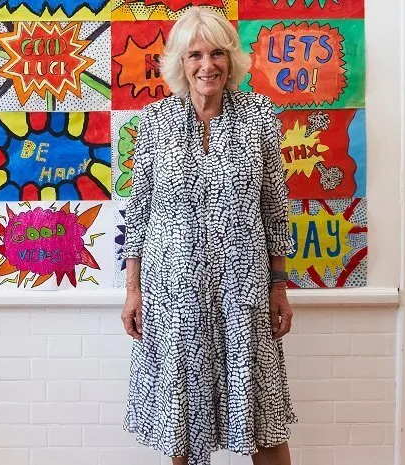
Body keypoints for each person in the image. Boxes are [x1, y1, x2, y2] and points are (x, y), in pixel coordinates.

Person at [120, 7, 296, 465]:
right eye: (195, 54)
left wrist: (279, 286)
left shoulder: (258, 115)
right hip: (173, 294)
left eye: (217, 52)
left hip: (244, 292)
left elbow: (275, 207)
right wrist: (132, 290)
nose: (207, 64)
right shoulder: (155, 120)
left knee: (264, 424)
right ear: (180, 61)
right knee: (181, 425)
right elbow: (139, 210)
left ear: (231, 59)